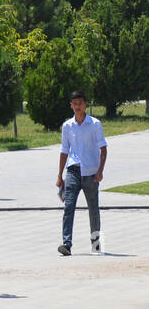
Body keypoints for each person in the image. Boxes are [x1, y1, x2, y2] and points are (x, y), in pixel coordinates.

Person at [55, 90, 107, 256]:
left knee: (93, 209)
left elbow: (103, 148)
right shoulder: (67, 126)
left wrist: (100, 171)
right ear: (71, 105)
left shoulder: (95, 124)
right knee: (68, 207)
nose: (77, 107)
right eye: (74, 104)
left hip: (91, 172)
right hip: (73, 171)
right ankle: (66, 244)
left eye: (80, 103)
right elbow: (64, 150)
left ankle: (96, 244)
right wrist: (59, 175)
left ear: (86, 104)